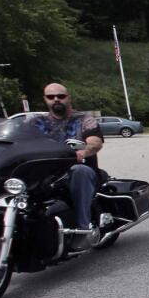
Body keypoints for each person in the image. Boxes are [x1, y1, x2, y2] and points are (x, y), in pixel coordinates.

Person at [33, 83, 103, 249]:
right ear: (45, 99)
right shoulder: (37, 122)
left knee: (79, 171)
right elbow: (18, 141)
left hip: (78, 170)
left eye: (60, 96)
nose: (56, 99)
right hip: (47, 173)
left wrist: (82, 152)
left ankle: (82, 229)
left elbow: (95, 142)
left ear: (68, 98)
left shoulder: (84, 119)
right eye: (51, 97)